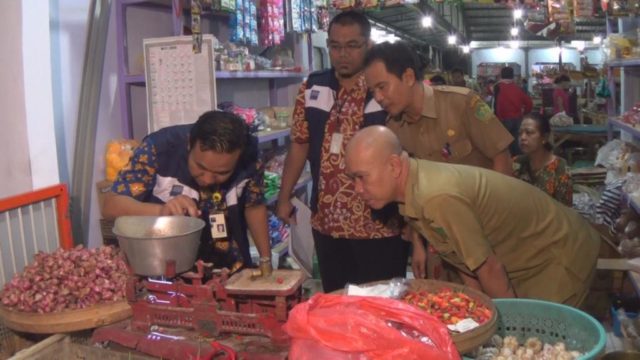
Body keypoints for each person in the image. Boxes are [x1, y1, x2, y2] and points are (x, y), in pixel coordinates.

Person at [345, 126, 600, 307]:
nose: (357, 189)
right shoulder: (412, 190)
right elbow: (465, 261)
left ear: (393, 166)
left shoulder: (436, 198)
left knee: (534, 341)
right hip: (529, 258)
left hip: (561, 256)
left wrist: (505, 332)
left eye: (361, 177)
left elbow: (490, 269)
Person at [275, 11, 406, 293]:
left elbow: (405, 155)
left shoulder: (382, 90)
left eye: (352, 46)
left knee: (381, 302)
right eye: (335, 46)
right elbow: (300, 143)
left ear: (368, 46)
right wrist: (284, 196)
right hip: (328, 223)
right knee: (337, 302)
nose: (342, 54)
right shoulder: (313, 87)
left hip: (379, 224)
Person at [364, 41, 515, 280]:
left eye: (382, 87)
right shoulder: (395, 130)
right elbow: (410, 194)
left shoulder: (462, 104)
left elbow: (502, 161)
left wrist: (500, 230)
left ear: (409, 76)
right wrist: (418, 245)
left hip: (490, 238)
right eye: (373, 91)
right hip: (443, 247)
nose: (378, 98)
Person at [103, 111, 272, 274]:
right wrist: (161, 212)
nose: (206, 180)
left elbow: (254, 206)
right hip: (168, 267)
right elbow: (111, 206)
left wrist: (266, 262)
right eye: (200, 167)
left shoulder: (250, 154)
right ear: (190, 143)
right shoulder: (157, 149)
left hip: (231, 267)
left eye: (221, 173)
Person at [513, 113, 572, 206]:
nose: (522, 137)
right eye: (520, 133)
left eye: (529, 132)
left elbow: (565, 209)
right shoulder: (516, 163)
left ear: (544, 137)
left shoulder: (559, 167)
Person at [493, 66, 533, 155]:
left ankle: (506, 165)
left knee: (504, 145)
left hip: (503, 119)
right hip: (518, 119)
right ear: (512, 76)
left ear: (501, 75)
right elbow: (529, 103)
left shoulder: (498, 87)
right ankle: (518, 164)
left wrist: (497, 118)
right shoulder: (518, 88)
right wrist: (524, 112)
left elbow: (497, 105)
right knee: (517, 144)